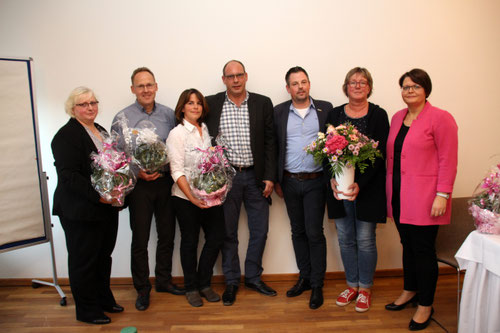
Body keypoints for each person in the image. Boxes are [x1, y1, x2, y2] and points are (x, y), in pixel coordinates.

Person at [385, 68, 458, 331]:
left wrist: (442, 194)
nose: (410, 91)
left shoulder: (441, 118)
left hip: (427, 198)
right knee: (408, 245)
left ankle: (426, 304)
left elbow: (448, 160)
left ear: (426, 89)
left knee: (424, 251)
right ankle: (410, 290)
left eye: (415, 86)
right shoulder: (397, 118)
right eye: (405, 87)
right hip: (399, 195)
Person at [205, 60, 277, 306]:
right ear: (223, 79)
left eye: (239, 75)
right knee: (228, 233)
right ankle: (232, 281)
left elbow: (270, 141)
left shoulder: (262, 103)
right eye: (230, 76)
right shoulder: (211, 103)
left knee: (260, 231)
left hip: (256, 177)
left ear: (246, 76)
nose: (235, 80)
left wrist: (269, 175)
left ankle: (254, 277)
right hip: (227, 179)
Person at [112, 67, 184, 311]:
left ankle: (164, 281)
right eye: (140, 86)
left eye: (149, 85)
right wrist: (136, 172)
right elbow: (115, 156)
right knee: (140, 240)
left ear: (156, 86)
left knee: (167, 235)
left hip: (165, 183)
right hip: (139, 186)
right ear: (133, 89)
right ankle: (142, 289)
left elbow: (176, 147)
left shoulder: (168, 115)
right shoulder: (122, 117)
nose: (146, 90)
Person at [51, 87, 123, 324]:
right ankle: (87, 310)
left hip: (105, 207)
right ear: (73, 109)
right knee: (84, 261)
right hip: (80, 209)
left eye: (93, 102)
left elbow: (113, 165)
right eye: (83, 104)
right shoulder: (65, 136)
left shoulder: (100, 130)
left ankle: (103, 299)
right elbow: (69, 176)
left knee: (104, 256)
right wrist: (99, 195)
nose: (90, 107)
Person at [326, 67, 389, 313]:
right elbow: (325, 150)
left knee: (364, 240)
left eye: (363, 82)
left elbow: (381, 154)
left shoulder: (379, 115)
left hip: (368, 189)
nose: (358, 86)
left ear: (369, 87)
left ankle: (365, 288)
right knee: (345, 239)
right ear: (346, 87)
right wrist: (333, 178)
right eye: (353, 82)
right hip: (339, 190)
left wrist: (360, 183)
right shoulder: (333, 114)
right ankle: (351, 285)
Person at [274, 66, 332, 309]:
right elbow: (273, 146)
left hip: (316, 181)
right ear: (288, 88)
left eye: (304, 82)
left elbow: (335, 141)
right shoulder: (278, 112)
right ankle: (305, 278)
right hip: (288, 182)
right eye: (295, 83)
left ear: (309, 84)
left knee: (314, 232)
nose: (300, 86)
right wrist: (276, 179)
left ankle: (317, 284)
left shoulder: (325, 109)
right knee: (297, 232)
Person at [166, 89, 225, 307]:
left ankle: (204, 283)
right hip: (184, 198)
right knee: (190, 242)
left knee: (217, 237)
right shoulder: (177, 134)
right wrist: (191, 198)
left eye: (198, 103)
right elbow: (177, 171)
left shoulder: (205, 129)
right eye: (190, 103)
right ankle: (191, 287)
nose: (195, 107)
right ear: (182, 107)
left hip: (209, 196)